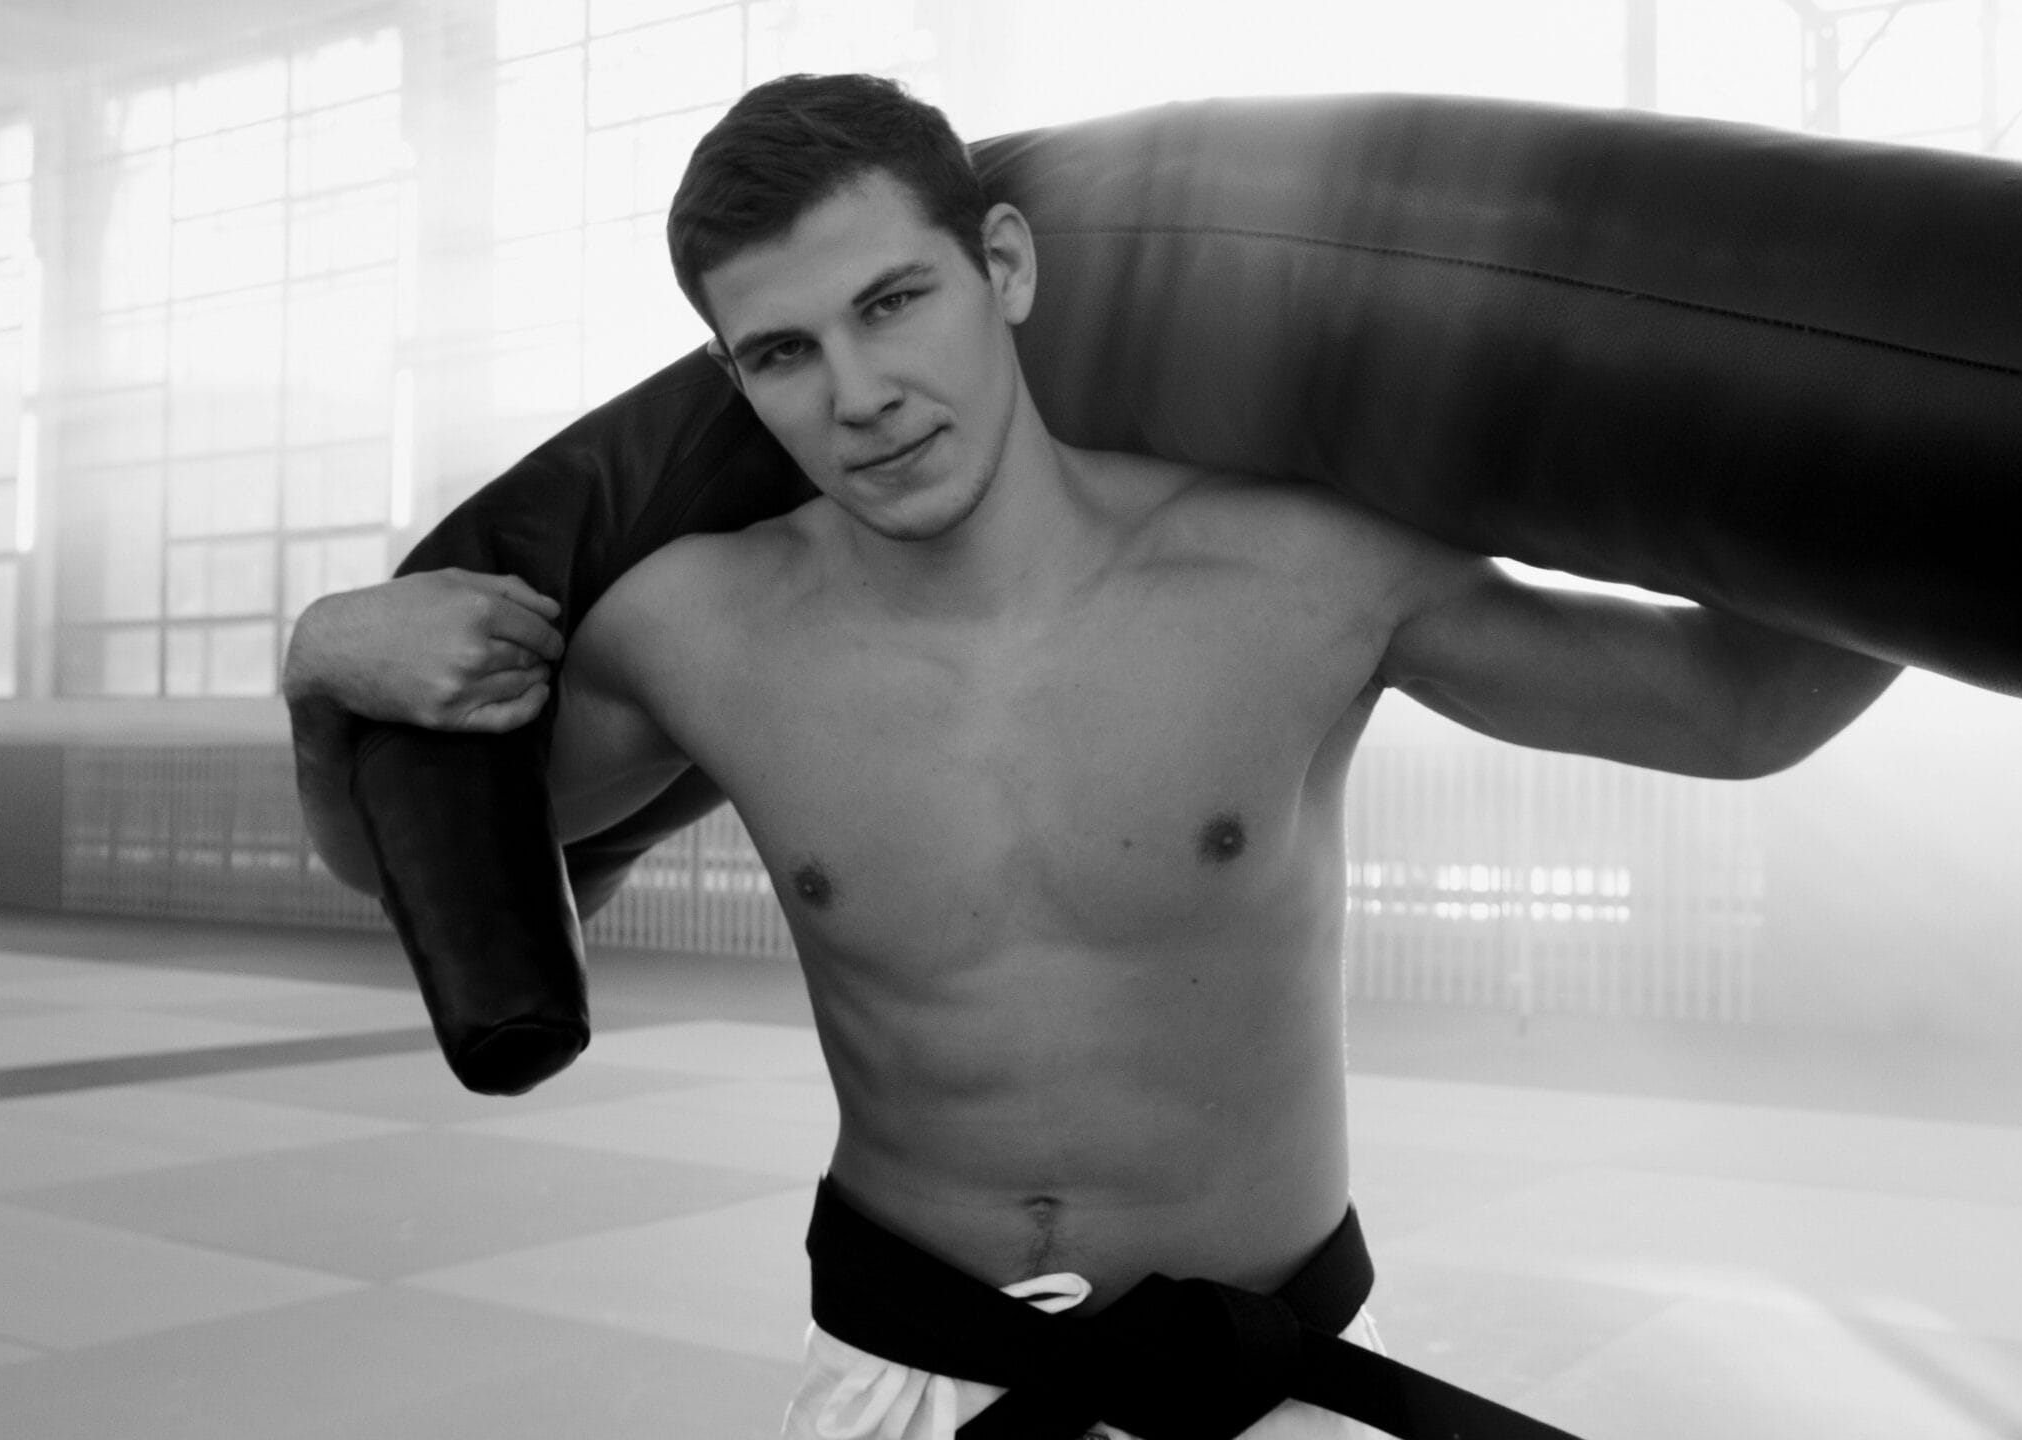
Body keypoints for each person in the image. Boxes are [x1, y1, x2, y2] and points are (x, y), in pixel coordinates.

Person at [284, 73, 1900, 1440]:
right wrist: (315, 667)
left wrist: (2003, 497)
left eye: (893, 302)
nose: (859, 397)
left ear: (1004, 265)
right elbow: (420, 865)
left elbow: (1733, 713)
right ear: (731, 377)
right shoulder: (696, 631)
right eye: (782, 354)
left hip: (1256, 1379)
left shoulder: (1295, 568)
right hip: (904, 1370)